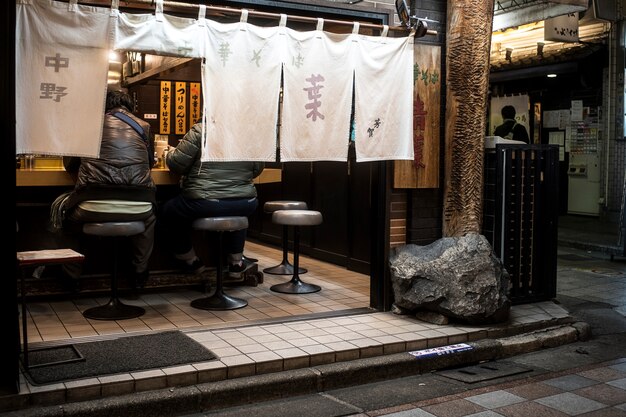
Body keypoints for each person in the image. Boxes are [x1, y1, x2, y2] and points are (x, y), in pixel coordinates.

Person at [51, 90, 156, 290]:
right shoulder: (143, 126)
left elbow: (70, 164)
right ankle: (139, 274)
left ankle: (70, 277)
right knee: (149, 219)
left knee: (64, 216)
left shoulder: (87, 124)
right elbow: (149, 163)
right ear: (128, 106)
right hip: (140, 202)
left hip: (92, 203)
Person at [159, 122, 264, 278]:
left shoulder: (201, 130)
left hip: (206, 202)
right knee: (235, 210)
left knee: (168, 211)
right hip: (246, 202)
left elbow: (177, 164)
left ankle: (189, 260)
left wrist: (168, 153)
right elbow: (257, 169)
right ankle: (236, 262)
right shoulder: (248, 132)